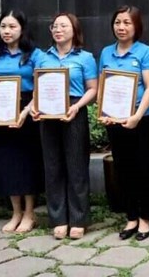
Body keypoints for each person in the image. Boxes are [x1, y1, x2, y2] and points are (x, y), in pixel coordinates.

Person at [32, 13, 98, 240]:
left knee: (77, 166)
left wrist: (77, 106)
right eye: (55, 26)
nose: (58, 29)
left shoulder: (85, 57)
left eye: (63, 26)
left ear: (74, 30)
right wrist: (34, 106)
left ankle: (79, 219)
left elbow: (92, 89)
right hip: (48, 113)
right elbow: (37, 88)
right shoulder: (42, 57)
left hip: (73, 110)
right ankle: (58, 218)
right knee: (52, 167)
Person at [98, 6, 149, 241]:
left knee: (143, 168)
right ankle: (131, 216)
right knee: (123, 168)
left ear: (136, 26)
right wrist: (102, 110)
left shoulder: (144, 52)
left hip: (141, 120)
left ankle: (145, 218)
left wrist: (136, 116)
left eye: (127, 23)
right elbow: (103, 84)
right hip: (114, 119)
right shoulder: (105, 53)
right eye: (117, 22)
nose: (121, 27)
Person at [0, 11, 44, 234]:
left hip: (27, 113)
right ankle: (16, 212)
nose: (7, 31)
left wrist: (26, 112)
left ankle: (30, 213)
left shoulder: (34, 55)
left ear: (22, 29)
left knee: (27, 162)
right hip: (2, 112)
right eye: (3, 27)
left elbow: (41, 86)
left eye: (12, 26)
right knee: (7, 163)